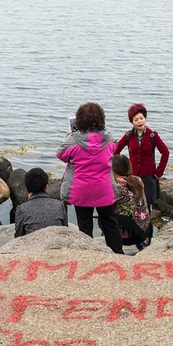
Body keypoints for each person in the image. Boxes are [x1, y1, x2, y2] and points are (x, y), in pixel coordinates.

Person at [56, 102, 123, 254]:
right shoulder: (109, 139)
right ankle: (118, 253)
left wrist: (70, 135)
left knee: (84, 225)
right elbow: (114, 149)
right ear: (101, 119)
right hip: (104, 189)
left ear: (78, 120)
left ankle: (88, 255)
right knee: (110, 223)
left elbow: (60, 155)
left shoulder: (72, 140)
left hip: (81, 191)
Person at [114, 103, 170, 210]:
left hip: (149, 176)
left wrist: (159, 172)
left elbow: (165, 152)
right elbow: (115, 152)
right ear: (132, 122)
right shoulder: (128, 136)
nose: (140, 121)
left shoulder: (153, 135)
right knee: (133, 204)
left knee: (147, 206)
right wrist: (121, 172)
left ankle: (148, 221)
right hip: (132, 176)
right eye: (136, 120)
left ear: (145, 118)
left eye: (141, 118)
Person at [111, 155, 150, 250]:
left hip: (127, 237)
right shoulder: (138, 180)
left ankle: (114, 245)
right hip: (144, 232)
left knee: (105, 212)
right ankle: (141, 244)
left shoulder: (115, 185)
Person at [14, 168, 68, 237]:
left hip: (33, 242)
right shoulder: (59, 205)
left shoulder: (22, 209)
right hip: (57, 240)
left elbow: (18, 235)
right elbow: (65, 229)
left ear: (27, 188)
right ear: (46, 187)